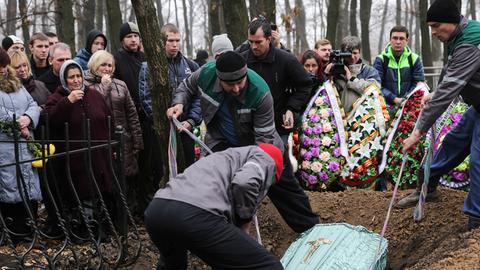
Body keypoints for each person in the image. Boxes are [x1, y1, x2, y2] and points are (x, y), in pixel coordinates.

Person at [168, 51, 318, 233]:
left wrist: (251, 178)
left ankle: (310, 229)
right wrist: (179, 103)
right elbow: (186, 87)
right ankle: (222, 233)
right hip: (221, 142)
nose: (237, 88)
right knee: (219, 186)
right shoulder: (206, 73)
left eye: (240, 82)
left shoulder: (260, 93)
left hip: (263, 145)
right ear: (218, 78)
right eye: (230, 84)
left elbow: (263, 143)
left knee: (284, 188)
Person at [398, 0, 480, 231]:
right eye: (430, 27)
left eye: (436, 26)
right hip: (478, 107)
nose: (433, 32)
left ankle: (476, 221)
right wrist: (434, 93)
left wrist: (418, 132)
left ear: (452, 22)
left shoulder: (470, 44)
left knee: (478, 160)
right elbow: (450, 70)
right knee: (453, 143)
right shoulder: (459, 36)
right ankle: (427, 187)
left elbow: (450, 90)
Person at [145, 144, 284, 270]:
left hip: (157, 211)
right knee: (269, 266)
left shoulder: (224, 157)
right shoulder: (266, 157)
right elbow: (244, 183)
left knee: (173, 265)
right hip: (194, 214)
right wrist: (244, 221)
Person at [43, 60, 113, 230]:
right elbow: (49, 119)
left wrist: (111, 147)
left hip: (99, 154)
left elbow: (109, 120)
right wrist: (68, 101)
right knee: (82, 193)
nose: (76, 80)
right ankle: (84, 229)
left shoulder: (94, 94)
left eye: (78, 76)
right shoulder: (57, 97)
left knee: (102, 192)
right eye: (71, 77)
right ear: (64, 80)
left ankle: (103, 227)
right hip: (76, 158)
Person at [139, 23, 200, 169]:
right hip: (162, 129)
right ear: (162, 42)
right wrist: (160, 121)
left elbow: (198, 96)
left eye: (177, 40)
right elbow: (145, 97)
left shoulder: (191, 66)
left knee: (189, 169)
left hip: (185, 127)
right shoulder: (149, 67)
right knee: (165, 170)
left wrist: (191, 121)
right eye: (170, 40)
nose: (174, 44)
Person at [85, 50, 143, 197]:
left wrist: (137, 142)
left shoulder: (121, 85)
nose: (107, 69)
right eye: (103, 65)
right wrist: (105, 87)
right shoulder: (86, 86)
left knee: (125, 181)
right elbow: (93, 109)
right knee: (104, 181)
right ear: (94, 65)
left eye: (110, 65)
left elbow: (132, 115)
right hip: (100, 142)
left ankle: (125, 216)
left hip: (123, 140)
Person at [0, 48, 41, 241]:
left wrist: (27, 118)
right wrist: (18, 124)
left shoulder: (16, 84)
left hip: (25, 146)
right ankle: (11, 232)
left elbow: (33, 104)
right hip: (5, 147)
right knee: (8, 187)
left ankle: (28, 230)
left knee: (27, 186)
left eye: (3, 65)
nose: (2, 70)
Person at [373, 25, 425, 109]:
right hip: (386, 105)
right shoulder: (381, 59)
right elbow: (376, 85)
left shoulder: (414, 59)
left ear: (407, 41)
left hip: (410, 104)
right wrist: (394, 98)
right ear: (390, 40)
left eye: (401, 38)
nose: (398, 42)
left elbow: (418, 83)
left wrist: (406, 98)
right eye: (395, 38)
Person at [325, 36, 381, 113]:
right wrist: (326, 74)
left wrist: (351, 79)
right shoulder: (336, 70)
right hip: (340, 116)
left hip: (363, 118)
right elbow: (325, 93)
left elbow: (375, 90)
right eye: (348, 53)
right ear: (341, 53)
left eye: (355, 53)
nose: (352, 57)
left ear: (359, 52)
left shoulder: (369, 71)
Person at [113, 22, 145, 111]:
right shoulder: (116, 59)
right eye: (129, 36)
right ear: (122, 40)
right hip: (127, 109)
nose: (133, 40)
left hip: (146, 110)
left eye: (136, 36)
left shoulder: (145, 58)